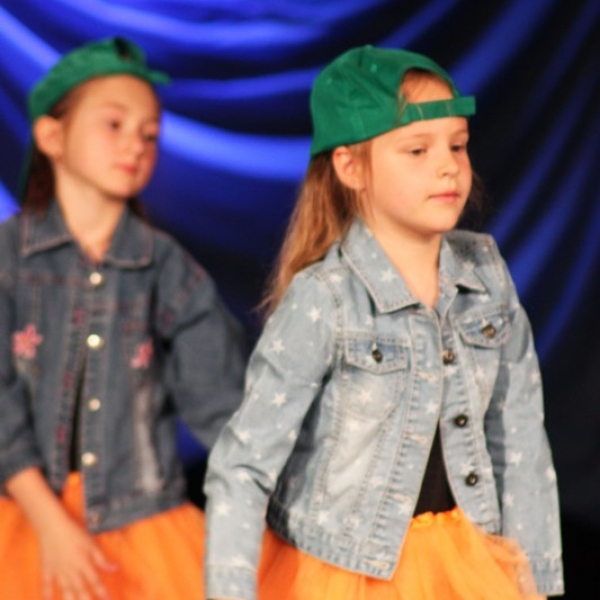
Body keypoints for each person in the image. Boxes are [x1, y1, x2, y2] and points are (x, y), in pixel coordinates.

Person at [203, 45, 564, 600]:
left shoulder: (487, 275)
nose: (448, 166)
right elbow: (243, 463)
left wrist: (535, 581)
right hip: (346, 571)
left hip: (466, 566)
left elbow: (519, 440)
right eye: (417, 149)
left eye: (457, 145)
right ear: (351, 167)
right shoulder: (325, 298)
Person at [0, 37, 246, 600]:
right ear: (52, 136)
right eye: (114, 125)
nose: (135, 144)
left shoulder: (168, 268)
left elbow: (224, 406)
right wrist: (49, 522)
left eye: (149, 134)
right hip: (24, 515)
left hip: (143, 524)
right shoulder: (8, 258)